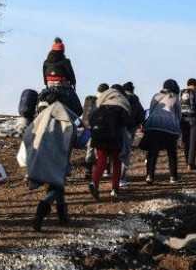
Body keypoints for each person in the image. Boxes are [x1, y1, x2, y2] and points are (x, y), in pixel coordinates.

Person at [23, 99, 78, 232]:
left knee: (56, 185)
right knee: (57, 186)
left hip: (37, 158)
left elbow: (27, 138)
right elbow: (71, 138)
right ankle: (43, 207)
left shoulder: (38, 121)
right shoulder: (62, 120)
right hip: (55, 159)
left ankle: (62, 216)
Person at [87, 86, 132, 200]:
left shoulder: (102, 101)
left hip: (99, 134)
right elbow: (127, 121)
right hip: (114, 135)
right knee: (116, 162)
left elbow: (90, 118)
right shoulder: (122, 102)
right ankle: (114, 190)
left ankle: (94, 182)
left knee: (101, 160)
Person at [142, 79, 182, 184]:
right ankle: (173, 177)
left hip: (154, 126)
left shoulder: (156, 96)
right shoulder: (175, 97)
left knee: (152, 153)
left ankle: (149, 176)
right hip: (169, 128)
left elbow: (151, 110)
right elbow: (178, 114)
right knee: (172, 153)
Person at [119, 82, 145, 187]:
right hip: (130, 129)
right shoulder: (134, 98)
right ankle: (122, 178)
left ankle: (107, 172)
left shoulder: (118, 97)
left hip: (116, 128)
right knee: (125, 154)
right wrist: (138, 124)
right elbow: (141, 115)